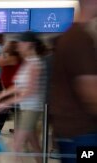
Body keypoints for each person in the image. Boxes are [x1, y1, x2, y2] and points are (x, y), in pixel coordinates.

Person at [49, 0, 97, 162]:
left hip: (71, 133)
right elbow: (90, 93)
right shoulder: (81, 39)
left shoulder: (70, 36)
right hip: (82, 135)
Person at [0, 32, 45, 163]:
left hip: (31, 109)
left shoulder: (35, 63)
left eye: (21, 43)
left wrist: (5, 103)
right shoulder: (28, 62)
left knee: (16, 146)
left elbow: (29, 91)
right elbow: (18, 86)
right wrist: (1, 95)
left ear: (29, 44)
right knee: (34, 144)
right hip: (25, 108)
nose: (18, 46)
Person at [0, 40, 22, 133]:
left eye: (7, 46)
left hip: (12, 90)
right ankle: (17, 129)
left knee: (5, 109)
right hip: (10, 89)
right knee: (12, 109)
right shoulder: (13, 57)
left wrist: (2, 51)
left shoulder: (13, 58)